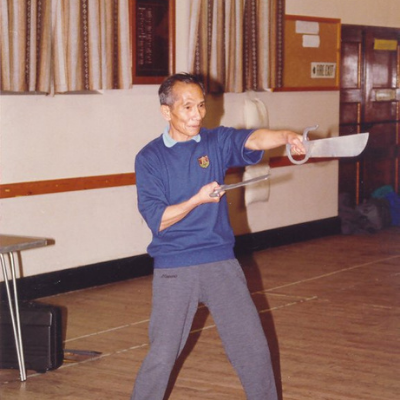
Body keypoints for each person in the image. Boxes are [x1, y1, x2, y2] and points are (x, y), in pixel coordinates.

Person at [131, 72, 305, 400]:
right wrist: (197, 199)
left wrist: (286, 135)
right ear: (166, 112)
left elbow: (252, 139)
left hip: (220, 262)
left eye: (200, 106)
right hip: (175, 267)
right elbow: (158, 220)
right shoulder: (149, 158)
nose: (197, 114)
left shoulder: (215, 141)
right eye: (187, 108)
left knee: (252, 348)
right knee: (163, 354)